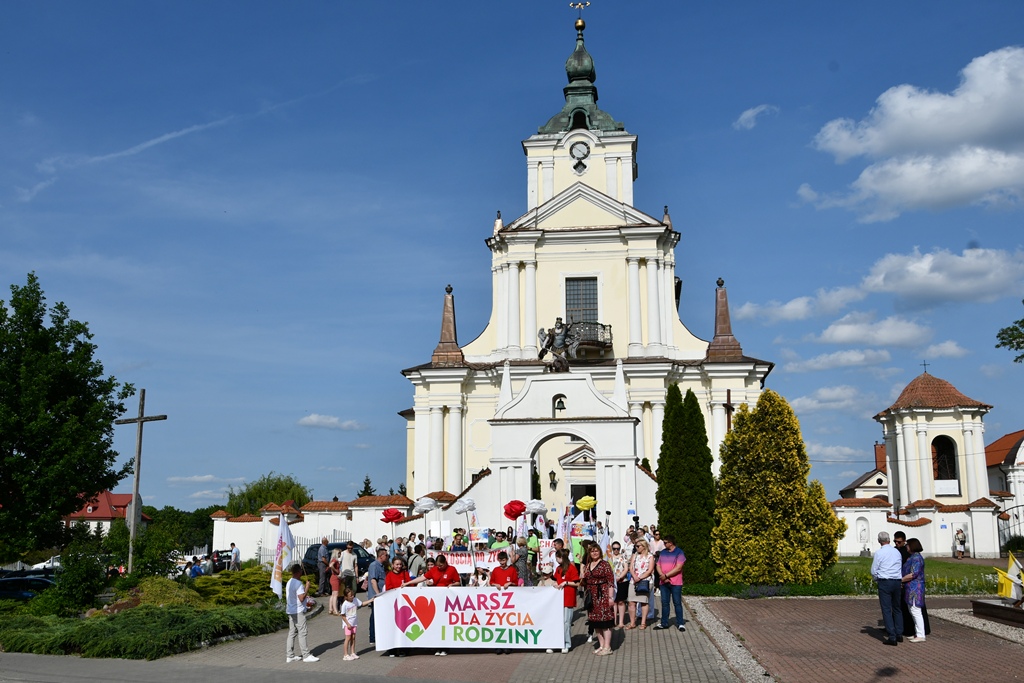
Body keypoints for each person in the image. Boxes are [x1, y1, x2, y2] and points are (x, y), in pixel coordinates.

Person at [870, 531, 904, 646]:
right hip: (897, 580)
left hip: (885, 581)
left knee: (886, 609)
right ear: (889, 540)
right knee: (897, 608)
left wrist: (876, 578)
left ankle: (892, 636)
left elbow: (874, 570)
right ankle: (899, 633)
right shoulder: (897, 552)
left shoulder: (879, 553)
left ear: (879, 541)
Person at [580, 542, 615, 655]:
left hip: (603, 594)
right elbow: (584, 580)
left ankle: (607, 647)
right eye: (592, 551)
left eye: (596, 551)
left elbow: (610, 581)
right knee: (595, 621)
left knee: (605, 621)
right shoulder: (588, 565)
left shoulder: (605, 564)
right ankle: (601, 645)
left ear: (600, 552)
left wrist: (610, 597)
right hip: (591, 596)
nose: (594, 553)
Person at [285, 563, 319, 663]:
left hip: (291, 610)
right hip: (297, 611)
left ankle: (290, 655)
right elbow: (301, 598)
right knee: (302, 632)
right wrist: (307, 587)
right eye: (301, 570)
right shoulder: (298, 583)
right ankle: (306, 655)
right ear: (298, 572)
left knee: (292, 632)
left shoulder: (289, 582)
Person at [653, 534, 686, 632]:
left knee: (677, 603)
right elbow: (658, 565)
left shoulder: (679, 552)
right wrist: (662, 575)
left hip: (676, 582)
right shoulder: (663, 552)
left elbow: (678, 568)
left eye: (665, 543)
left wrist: (666, 575)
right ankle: (664, 623)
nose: (664, 544)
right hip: (663, 582)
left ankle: (680, 623)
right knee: (664, 603)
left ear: (671, 543)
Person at [490, 551, 519, 655]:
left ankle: (508, 645)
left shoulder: (512, 570)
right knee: (498, 623)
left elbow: (516, 583)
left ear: (506, 560)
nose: (501, 562)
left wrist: (510, 583)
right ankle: (498, 645)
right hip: (497, 602)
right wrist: (495, 584)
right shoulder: (495, 570)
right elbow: (491, 582)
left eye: (503, 560)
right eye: (500, 560)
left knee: (508, 623)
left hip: (509, 602)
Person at [901, 538, 927, 642]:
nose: (906, 547)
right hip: (910, 587)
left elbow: (913, 574)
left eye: (907, 545)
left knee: (915, 610)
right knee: (912, 610)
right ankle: (917, 632)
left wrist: (901, 580)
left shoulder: (916, 558)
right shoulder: (912, 557)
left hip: (915, 588)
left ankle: (921, 634)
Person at [553, 549, 579, 655]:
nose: (556, 559)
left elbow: (577, 583)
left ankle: (566, 644)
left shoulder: (571, 568)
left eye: (557, 557)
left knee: (566, 622)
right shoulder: (558, 568)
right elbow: (556, 579)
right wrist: (556, 583)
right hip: (558, 599)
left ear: (562, 557)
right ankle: (557, 642)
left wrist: (566, 582)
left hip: (568, 599)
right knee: (558, 622)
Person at [339, 587, 374, 660]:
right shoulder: (345, 604)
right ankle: (345, 655)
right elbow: (343, 615)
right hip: (348, 624)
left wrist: (371, 600)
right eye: (350, 596)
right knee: (348, 638)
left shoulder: (355, 600)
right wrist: (347, 624)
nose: (352, 596)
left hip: (354, 623)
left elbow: (362, 604)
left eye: (353, 595)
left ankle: (352, 653)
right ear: (346, 597)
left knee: (353, 638)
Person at [627, 539, 655, 629]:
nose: (637, 548)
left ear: (644, 546)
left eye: (638, 546)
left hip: (645, 581)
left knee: (643, 602)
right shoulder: (635, 555)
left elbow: (650, 570)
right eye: (636, 546)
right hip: (633, 581)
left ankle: (643, 622)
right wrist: (634, 576)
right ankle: (632, 623)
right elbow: (631, 567)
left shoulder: (650, 556)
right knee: (631, 602)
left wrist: (640, 578)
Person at [366, 548, 388, 645]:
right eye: (386, 555)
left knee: (378, 615)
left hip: (381, 594)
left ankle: (377, 635)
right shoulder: (374, 565)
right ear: (381, 556)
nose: (387, 557)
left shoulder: (382, 566)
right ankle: (372, 637)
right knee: (374, 615)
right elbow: (373, 580)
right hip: (376, 595)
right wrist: (378, 593)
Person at [609, 541, 629, 628]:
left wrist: (620, 577)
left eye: (618, 548)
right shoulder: (609, 557)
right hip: (611, 582)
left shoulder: (623, 557)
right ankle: (614, 621)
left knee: (621, 601)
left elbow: (626, 568)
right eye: (614, 549)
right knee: (614, 602)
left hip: (622, 581)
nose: (616, 550)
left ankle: (621, 621)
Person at [328, 549, 342, 615]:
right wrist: (336, 571)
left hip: (332, 577)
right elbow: (331, 566)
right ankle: (335, 610)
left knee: (333, 594)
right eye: (339, 553)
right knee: (335, 595)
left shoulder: (332, 560)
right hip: (335, 578)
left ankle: (330, 609)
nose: (340, 554)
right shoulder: (335, 560)